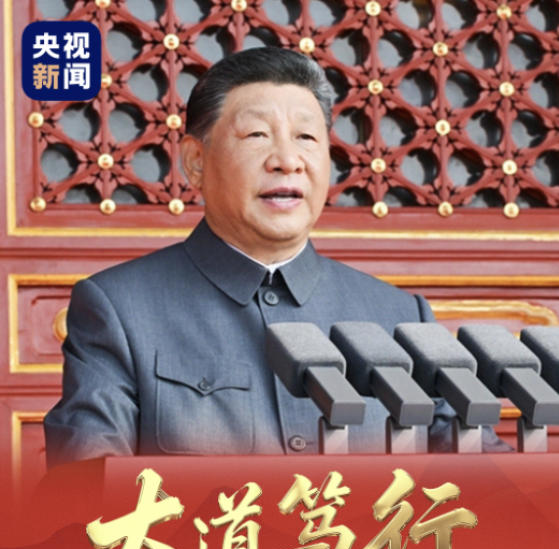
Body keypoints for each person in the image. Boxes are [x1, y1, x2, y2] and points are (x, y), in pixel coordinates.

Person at [44, 47, 479, 466]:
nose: (288, 160)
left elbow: (482, 481)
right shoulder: (121, 310)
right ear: (195, 162)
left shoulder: (400, 318)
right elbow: (84, 485)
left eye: (306, 137)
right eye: (257, 135)